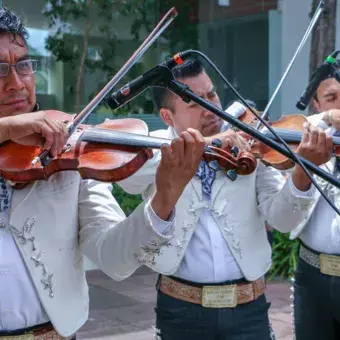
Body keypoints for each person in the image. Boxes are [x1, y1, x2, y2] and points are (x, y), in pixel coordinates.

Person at [0, 7, 206, 339]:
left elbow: (113, 258)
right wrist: (9, 126)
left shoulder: (66, 151)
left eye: (23, 65)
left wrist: (164, 199)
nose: (15, 83)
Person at [117, 59, 332, 340]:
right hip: (180, 310)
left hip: (248, 309)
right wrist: (211, 143)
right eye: (194, 102)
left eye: (211, 94)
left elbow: (282, 219)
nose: (209, 107)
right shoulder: (157, 149)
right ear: (168, 117)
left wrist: (302, 172)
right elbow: (128, 179)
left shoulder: (248, 142)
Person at [290, 61, 340, 340]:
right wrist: (329, 119)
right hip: (312, 275)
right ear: (316, 103)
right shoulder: (306, 139)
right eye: (331, 99)